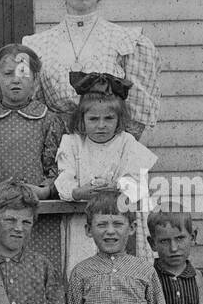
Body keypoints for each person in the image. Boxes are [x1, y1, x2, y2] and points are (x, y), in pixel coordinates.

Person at [23, 0, 160, 138]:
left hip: (114, 152)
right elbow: (35, 112)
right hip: (59, 153)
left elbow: (137, 119)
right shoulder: (36, 45)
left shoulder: (128, 42)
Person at [0, 44, 64, 262]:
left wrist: (44, 191)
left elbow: (56, 167)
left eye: (23, 74)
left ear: (36, 79)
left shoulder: (49, 120)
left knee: (37, 267)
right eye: (8, 74)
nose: (15, 80)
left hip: (38, 213)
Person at [55, 84, 158, 269]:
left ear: (119, 120)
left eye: (109, 118)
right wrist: (78, 192)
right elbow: (64, 179)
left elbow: (138, 183)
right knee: (85, 268)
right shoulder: (73, 143)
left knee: (123, 270)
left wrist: (116, 187)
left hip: (119, 219)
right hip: (82, 221)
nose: (101, 125)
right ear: (82, 119)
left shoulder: (126, 143)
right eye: (93, 119)